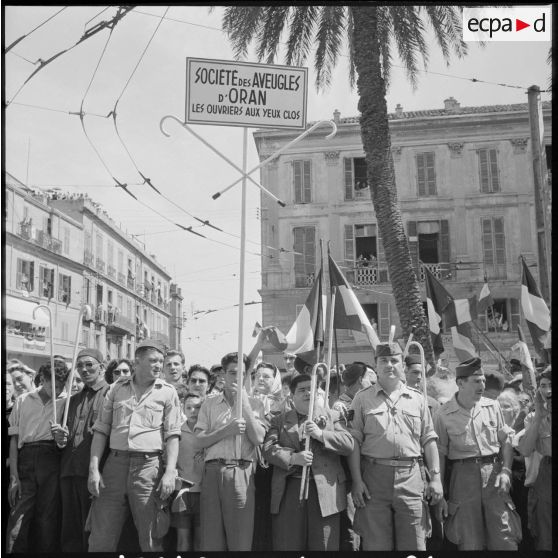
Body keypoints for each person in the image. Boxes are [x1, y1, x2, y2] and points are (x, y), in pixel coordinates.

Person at [86, 339, 182, 552]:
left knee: (151, 536)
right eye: (153, 361)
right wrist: (94, 469)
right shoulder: (115, 389)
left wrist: (169, 472)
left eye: (161, 361)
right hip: (115, 466)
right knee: (101, 536)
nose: (159, 365)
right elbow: (101, 430)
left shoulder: (167, 392)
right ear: (137, 362)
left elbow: (173, 435)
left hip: (149, 468)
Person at [348, 341, 443, 550]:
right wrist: (356, 481)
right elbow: (354, 442)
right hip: (374, 478)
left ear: (402, 365)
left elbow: (429, 439)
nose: (390, 365)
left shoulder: (418, 399)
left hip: (411, 477)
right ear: (376, 365)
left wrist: (436, 478)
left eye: (394, 360)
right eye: (384, 360)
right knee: (376, 544)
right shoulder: (362, 399)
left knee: (414, 542)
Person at [433, 357, 520, 550]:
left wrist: (506, 470)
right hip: (462, 478)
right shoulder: (442, 414)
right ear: (460, 383)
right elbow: (439, 454)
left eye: (482, 380)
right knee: (469, 540)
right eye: (476, 381)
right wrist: (439, 490)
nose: (482, 385)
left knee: (504, 538)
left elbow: (505, 440)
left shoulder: (493, 406)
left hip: (494, 476)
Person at [263, 373, 354, 550]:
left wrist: (321, 435)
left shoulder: (333, 416)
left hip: (325, 495)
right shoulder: (279, 419)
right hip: (289, 491)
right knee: (287, 544)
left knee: (324, 544)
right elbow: (268, 449)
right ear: (292, 395)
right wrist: (293, 458)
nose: (307, 393)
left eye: (311, 389)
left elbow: (348, 444)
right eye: (302, 390)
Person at [194, 352, 267, 551]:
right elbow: (198, 441)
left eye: (243, 373)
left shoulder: (256, 404)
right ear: (222, 376)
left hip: (240, 470)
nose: (238, 377)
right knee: (211, 539)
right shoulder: (209, 404)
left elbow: (259, 438)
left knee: (240, 539)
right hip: (212, 472)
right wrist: (226, 430)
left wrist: (243, 403)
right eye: (233, 373)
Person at [50, 348, 110, 553]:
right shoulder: (71, 401)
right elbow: (63, 439)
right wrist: (60, 440)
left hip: (96, 474)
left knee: (93, 530)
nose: (84, 369)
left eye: (89, 364)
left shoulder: (111, 395)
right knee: (70, 530)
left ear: (101, 368)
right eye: (80, 366)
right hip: (69, 472)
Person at [6, 361, 69, 553]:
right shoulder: (23, 400)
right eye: (52, 385)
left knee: (47, 517)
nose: (56, 390)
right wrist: (14, 476)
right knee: (18, 515)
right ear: (42, 379)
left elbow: (64, 440)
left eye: (60, 386)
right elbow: (14, 440)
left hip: (51, 458)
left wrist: (61, 438)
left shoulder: (65, 402)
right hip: (25, 458)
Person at [518, 366, 551, 550]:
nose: (547, 391)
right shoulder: (533, 417)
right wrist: (539, 416)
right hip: (547, 471)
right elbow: (525, 450)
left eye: (551, 385)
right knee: (545, 535)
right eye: (543, 385)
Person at [172, 388, 204, 551]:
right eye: (189, 408)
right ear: (183, 409)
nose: (193, 411)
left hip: (204, 493)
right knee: (182, 542)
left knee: (200, 542)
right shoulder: (176, 431)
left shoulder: (209, 431)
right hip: (182, 494)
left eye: (197, 407)